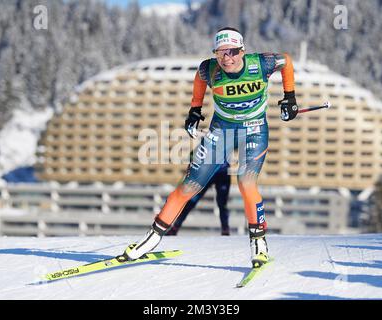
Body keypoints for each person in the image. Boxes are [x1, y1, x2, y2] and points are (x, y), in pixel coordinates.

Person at [121, 27, 298, 268]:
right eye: (221, 53)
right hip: (221, 130)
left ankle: (259, 242)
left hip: (254, 129)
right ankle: (151, 239)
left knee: (246, 183)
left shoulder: (262, 63)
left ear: (243, 51)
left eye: (233, 52)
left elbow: (286, 61)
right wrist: (195, 108)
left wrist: (290, 97)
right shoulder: (210, 68)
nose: (228, 59)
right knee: (189, 186)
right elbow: (199, 77)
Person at [165, 162, 231, 236]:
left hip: (223, 172)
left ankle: (225, 229)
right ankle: (175, 227)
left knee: (222, 203)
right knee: (192, 201)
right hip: (207, 172)